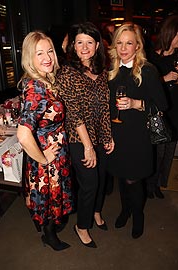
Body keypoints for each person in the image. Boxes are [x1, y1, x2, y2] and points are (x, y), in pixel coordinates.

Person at [107, 22, 168, 238]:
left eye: (129, 43)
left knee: (134, 179)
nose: (124, 48)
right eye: (120, 43)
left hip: (138, 135)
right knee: (122, 177)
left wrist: (135, 104)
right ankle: (125, 210)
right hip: (117, 134)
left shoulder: (148, 70)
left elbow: (162, 105)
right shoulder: (112, 71)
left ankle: (138, 216)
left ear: (137, 46)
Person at [57, 22, 114, 248]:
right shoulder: (67, 73)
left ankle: (97, 212)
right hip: (79, 139)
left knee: (102, 179)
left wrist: (108, 136)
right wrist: (89, 146)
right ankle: (81, 226)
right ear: (73, 45)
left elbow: (104, 109)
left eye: (89, 42)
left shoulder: (101, 71)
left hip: (100, 136)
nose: (84, 47)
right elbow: (74, 113)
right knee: (90, 184)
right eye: (79, 42)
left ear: (97, 44)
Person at [17, 31, 73, 251]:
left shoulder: (45, 80)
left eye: (49, 51)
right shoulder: (35, 88)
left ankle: (51, 229)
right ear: (30, 57)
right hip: (47, 158)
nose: (47, 57)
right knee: (49, 200)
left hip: (55, 153)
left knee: (53, 198)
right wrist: (43, 158)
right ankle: (49, 236)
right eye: (39, 53)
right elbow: (23, 135)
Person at [146, 14, 178, 199]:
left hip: (176, 109)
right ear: (170, 34)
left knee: (170, 151)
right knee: (159, 150)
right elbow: (145, 85)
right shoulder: (152, 58)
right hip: (160, 110)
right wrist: (165, 79)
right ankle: (150, 184)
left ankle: (159, 183)